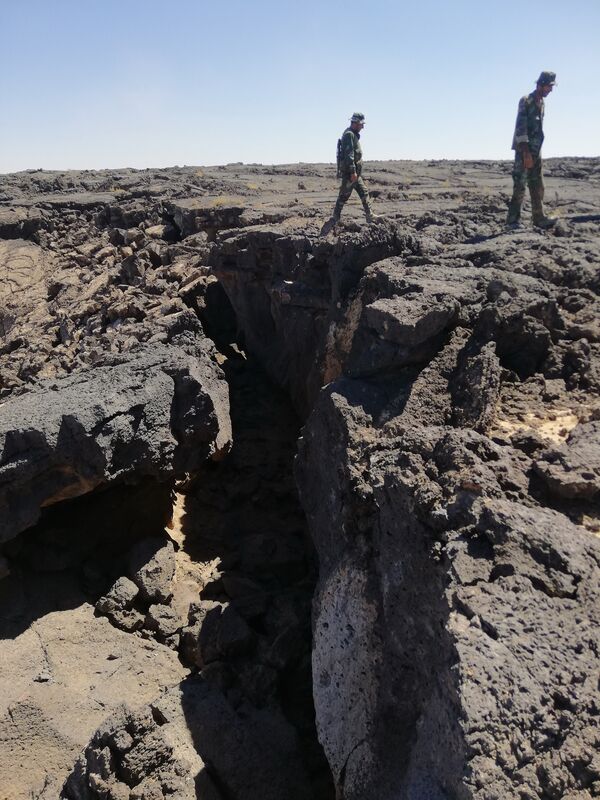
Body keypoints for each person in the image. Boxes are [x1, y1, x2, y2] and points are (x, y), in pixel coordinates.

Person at [506, 71, 557, 229]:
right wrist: (526, 152)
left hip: (536, 151)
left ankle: (539, 218)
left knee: (538, 185)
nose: (551, 90)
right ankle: (512, 221)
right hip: (524, 151)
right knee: (520, 186)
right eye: (549, 86)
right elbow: (520, 128)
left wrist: (535, 152)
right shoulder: (526, 100)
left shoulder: (542, 103)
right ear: (541, 84)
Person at [322, 113, 376, 232]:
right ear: (355, 123)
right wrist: (352, 172)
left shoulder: (352, 135)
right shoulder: (349, 135)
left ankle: (370, 216)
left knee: (364, 192)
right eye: (361, 124)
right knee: (343, 196)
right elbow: (349, 154)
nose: (363, 127)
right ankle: (335, 218)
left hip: (355, 174)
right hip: (351, 173)